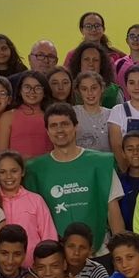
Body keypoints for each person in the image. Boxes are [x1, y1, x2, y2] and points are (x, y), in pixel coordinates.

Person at [23, 103, 124, 253]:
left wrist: (121, 251)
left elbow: (113, 210)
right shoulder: (35, 169)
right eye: (54, 126)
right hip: (55, 257)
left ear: (76, 126)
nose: (59, 130)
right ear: (47, 131)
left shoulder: (101, 163)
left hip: (99, 251)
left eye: (65, 124)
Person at [0, 150, 56, 264]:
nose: (9, 176)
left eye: (14, 171)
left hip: (32, 268)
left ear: (22, 172)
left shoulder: (36, 200)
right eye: (2, 172)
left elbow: (49, 237)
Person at [0, 71, 51, 159]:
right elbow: (0, 155)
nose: (32, 91)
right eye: (27, 87)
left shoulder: (51, 117)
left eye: (38, 88)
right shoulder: (8, 117)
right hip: (16, 170)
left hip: (46, 169)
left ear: (44, 92)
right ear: (20, 91)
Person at [72, 71, 114, 153]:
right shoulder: (73, 113)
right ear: (78, 91)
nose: (89, 93)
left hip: (105, 163)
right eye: (84, 89)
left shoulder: (111, 114)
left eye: (94, 88)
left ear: (102, 88)